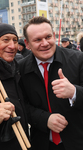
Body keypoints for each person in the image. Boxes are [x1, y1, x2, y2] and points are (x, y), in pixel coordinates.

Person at [19, 16, 83, 150]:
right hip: (41, 143)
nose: (45, 43)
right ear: (27, 43)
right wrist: (44, 119)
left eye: (48, 37)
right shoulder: (21, 68)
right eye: (37, 40)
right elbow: (21, 105)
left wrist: (74, 92)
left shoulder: (78, 59)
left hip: (77, 141)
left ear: (54, 36)